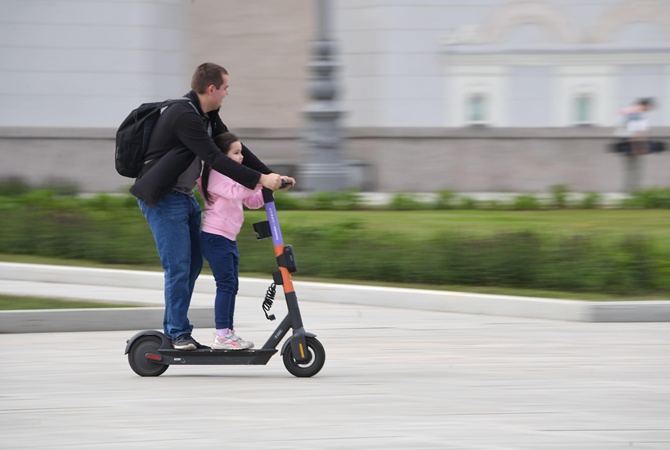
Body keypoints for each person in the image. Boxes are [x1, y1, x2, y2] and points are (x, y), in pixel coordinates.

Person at [130, 63, 295, 351]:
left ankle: (179, 331)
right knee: (179, 267)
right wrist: (260, 179)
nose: (227, 94)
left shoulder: (206, 115)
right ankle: (177, 333)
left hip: (183, 197)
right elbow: (217, 160)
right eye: (225, 88)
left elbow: (234, 148)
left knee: (192, 265)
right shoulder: (184, 115)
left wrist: (272, 176)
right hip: (165, 199)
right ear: (211, 89)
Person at [197, 132, 264, 350]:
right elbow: (236, 192)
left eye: (241, 152)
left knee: (231, 285)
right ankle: (222, 335)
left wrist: (270, 187)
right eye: (236, 153)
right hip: (215, 237)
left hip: (227, 238)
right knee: (225, 285)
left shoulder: (231, 177)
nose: (241, 157)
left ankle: (228, 333)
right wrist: (261, 179)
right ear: (222, 156)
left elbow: (252, 201)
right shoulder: (215, 174)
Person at [617, 98, 655, 192]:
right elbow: (633, 129)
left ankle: (631, 190)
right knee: (633, 167)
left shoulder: (634, 112)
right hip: (631, 142)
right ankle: (631, 190)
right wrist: (637, 146)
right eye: (649, 106)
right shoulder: (634, 112)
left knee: (632, 167)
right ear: (645, 105)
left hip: (631, 141)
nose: (649, 108)